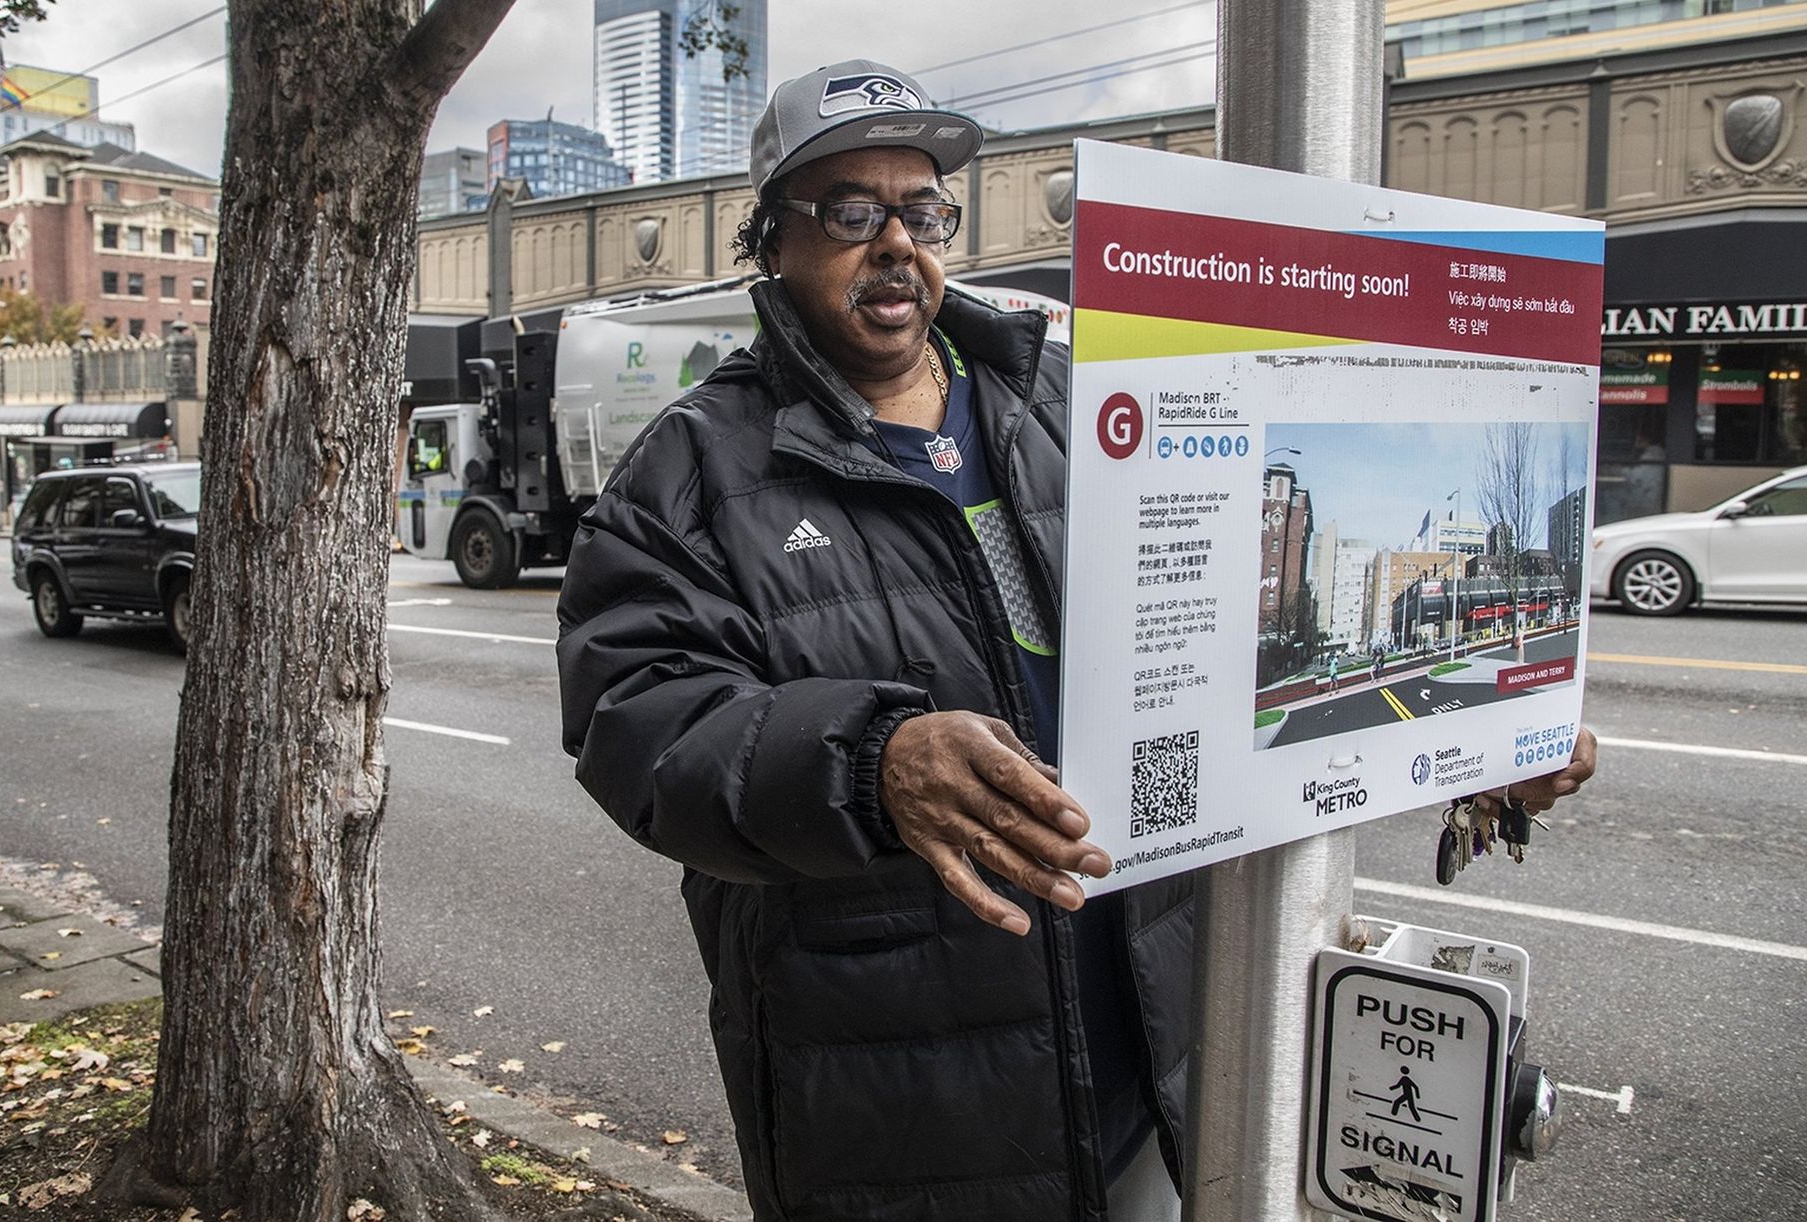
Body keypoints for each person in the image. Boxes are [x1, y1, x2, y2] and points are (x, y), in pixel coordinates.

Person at [557, 60, 1597, 1222]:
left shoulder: (1063, 398)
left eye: (923, 210)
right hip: (907, 1100)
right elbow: (635, 719)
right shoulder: (693, 469)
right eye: (853, 213)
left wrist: (1475, 731)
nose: (897, 241)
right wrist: (870, 763)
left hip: (1152, 1049)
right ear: (775, 242)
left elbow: (1229, 646)